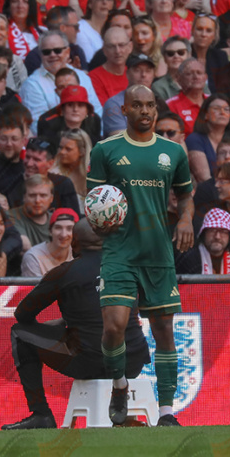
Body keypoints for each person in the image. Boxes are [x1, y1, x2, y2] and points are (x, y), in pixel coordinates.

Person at [88, 83, 194, 427]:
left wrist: (186, 220)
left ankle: (166, 412)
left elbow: (186, 195)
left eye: (150, 105)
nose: (145, 111)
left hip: (158, 252)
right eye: (137, 105)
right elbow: (94, 201)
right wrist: (99, 223)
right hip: (119, 251)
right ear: (124, 109)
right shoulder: (106, 150)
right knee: (113, 327)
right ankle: (120, 385)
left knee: (164, 329)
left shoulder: (173, 152)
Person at [2, 218, 148, 430]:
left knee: (19, 333)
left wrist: (62, 326)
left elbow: (22, 315)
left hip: (89, 362)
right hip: (133, 362)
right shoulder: (128, 268)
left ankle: (41, 413)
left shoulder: (64, 273)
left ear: (74, 243)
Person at [176, 207, 230, 275]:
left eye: (223, 231)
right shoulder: (189, 258)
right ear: (204, 233)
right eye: (212, 230)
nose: (217, 237)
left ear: (229, 236)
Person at [21, 206, 77, 276]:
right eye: (58, 228)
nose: (63, 234)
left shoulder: (80, 254)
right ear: (50, 231)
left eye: (69, 228)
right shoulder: (34, 257)